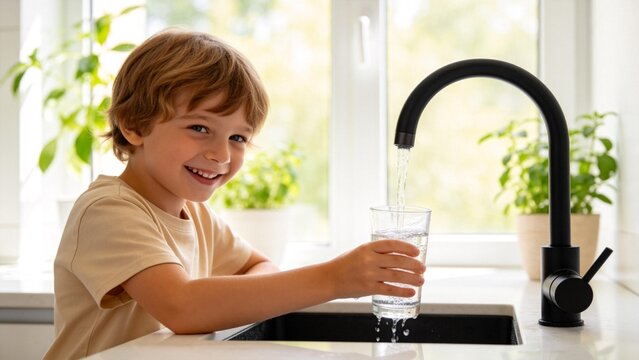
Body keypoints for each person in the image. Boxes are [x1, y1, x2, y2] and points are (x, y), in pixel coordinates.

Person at [43, 28, 425, 359]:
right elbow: (181, 306)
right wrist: (335, 279)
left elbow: (259, 266)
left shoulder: (196, 215)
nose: (221, 154)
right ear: (133, 126)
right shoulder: (109, 208)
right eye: (199, 127)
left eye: (238, 137)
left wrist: (222, 296)